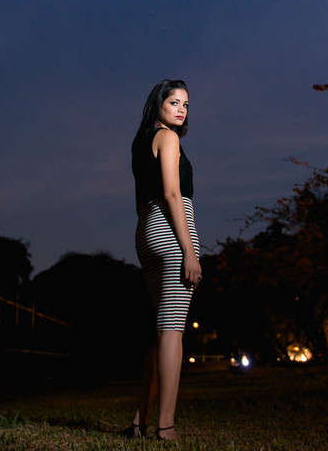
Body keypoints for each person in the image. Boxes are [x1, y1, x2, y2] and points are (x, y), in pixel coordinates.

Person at [122, 79, 202, 442]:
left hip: (145, 231)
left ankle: (139, 422)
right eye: (174, 101)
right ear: (158, 105)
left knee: (160, 332)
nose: (182, 108)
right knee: (173, 331)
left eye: (186, 103)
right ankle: (165, 426)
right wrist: (189, 250)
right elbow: (172, 192)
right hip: (170, 231)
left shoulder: (141, 141)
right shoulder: (168, 138)